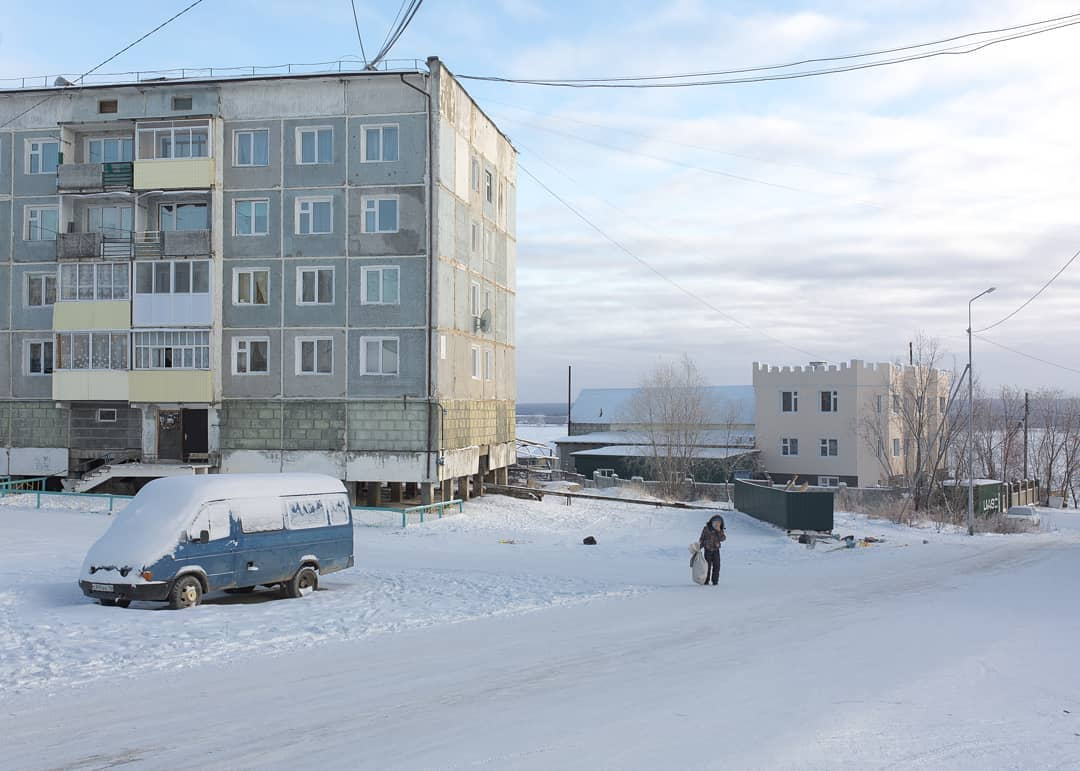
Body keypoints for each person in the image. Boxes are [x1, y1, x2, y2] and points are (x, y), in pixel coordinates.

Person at [698, 514, 726, 586]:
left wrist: (719, 531)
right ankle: (706, 581)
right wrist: (699, 547)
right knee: (707, 566)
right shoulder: (706, 528)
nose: (716, 524)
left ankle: (715, 581)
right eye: (715, 522)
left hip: (716, 550)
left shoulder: (720, 530)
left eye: (718, 523)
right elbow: (701, 539)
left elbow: (723, 539)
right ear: (712, 522)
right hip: (707, 550)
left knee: (717, 566)